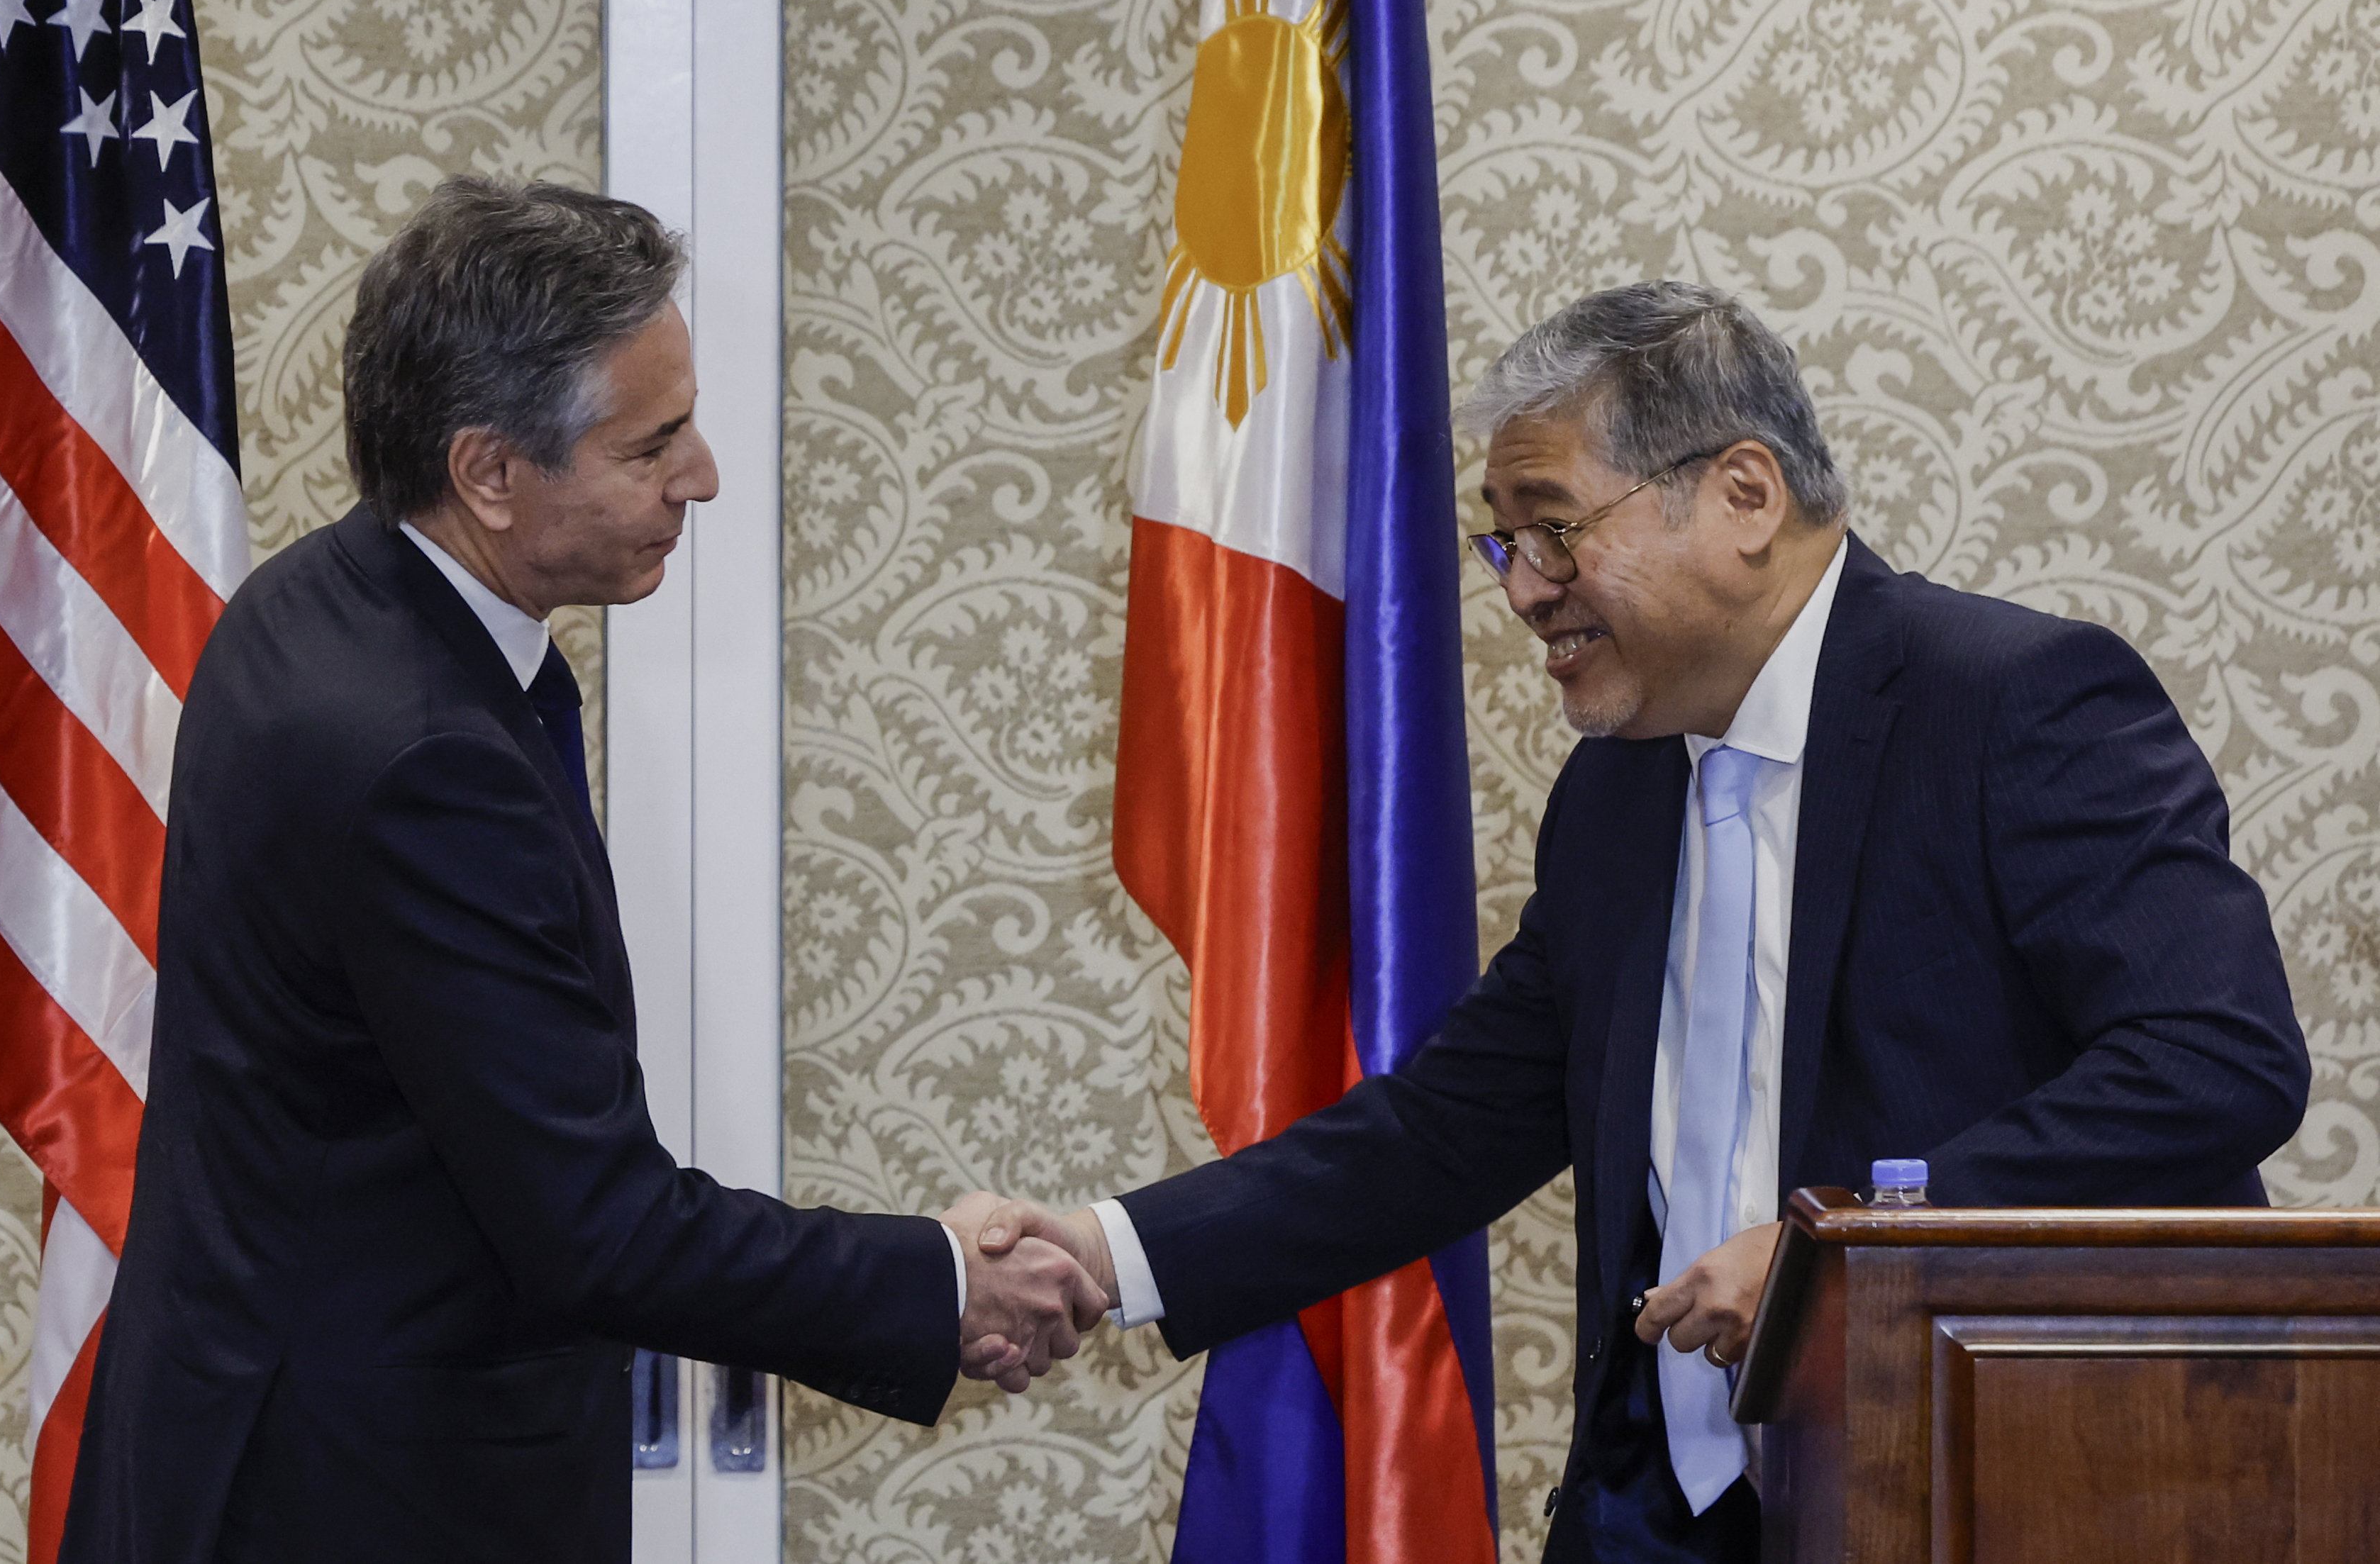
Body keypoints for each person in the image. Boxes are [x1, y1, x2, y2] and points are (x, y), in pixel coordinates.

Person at [979, 281, 2311, 1562]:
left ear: (1743, 495)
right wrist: (1108, 1252)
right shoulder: (1613, 794)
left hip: (1984, 1487)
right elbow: (1447, 1130)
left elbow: (2212, 1059)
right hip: (1658, 1513)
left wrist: (1833, 1253)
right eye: (1503, 542)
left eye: (1556, 529)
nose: (1523, 590)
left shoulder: (2014, 703)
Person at [60, 179, 1102, 1564]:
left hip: (253, 1442)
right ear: (491, 471)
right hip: (364, 1503)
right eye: (652, 445)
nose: (705, 477)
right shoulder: (420, 754)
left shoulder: (322, 600)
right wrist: (935, 1278)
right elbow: (596, 1231)